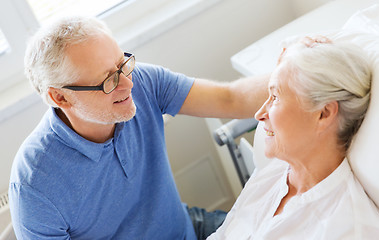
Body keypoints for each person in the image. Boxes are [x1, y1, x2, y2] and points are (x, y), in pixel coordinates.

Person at [8, 16, 269, 240]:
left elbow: (231, 98)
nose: (128, 84)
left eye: (122, 64)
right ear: (61, 98)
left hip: (187, 228)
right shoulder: (34, 186)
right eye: (108, 80)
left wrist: (295, 72)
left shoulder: (142, 81)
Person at [208, 36, 379, 239]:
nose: (259, 114)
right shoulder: (273, 172)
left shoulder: (348, 230)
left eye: (275, 98)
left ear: (324, 114)